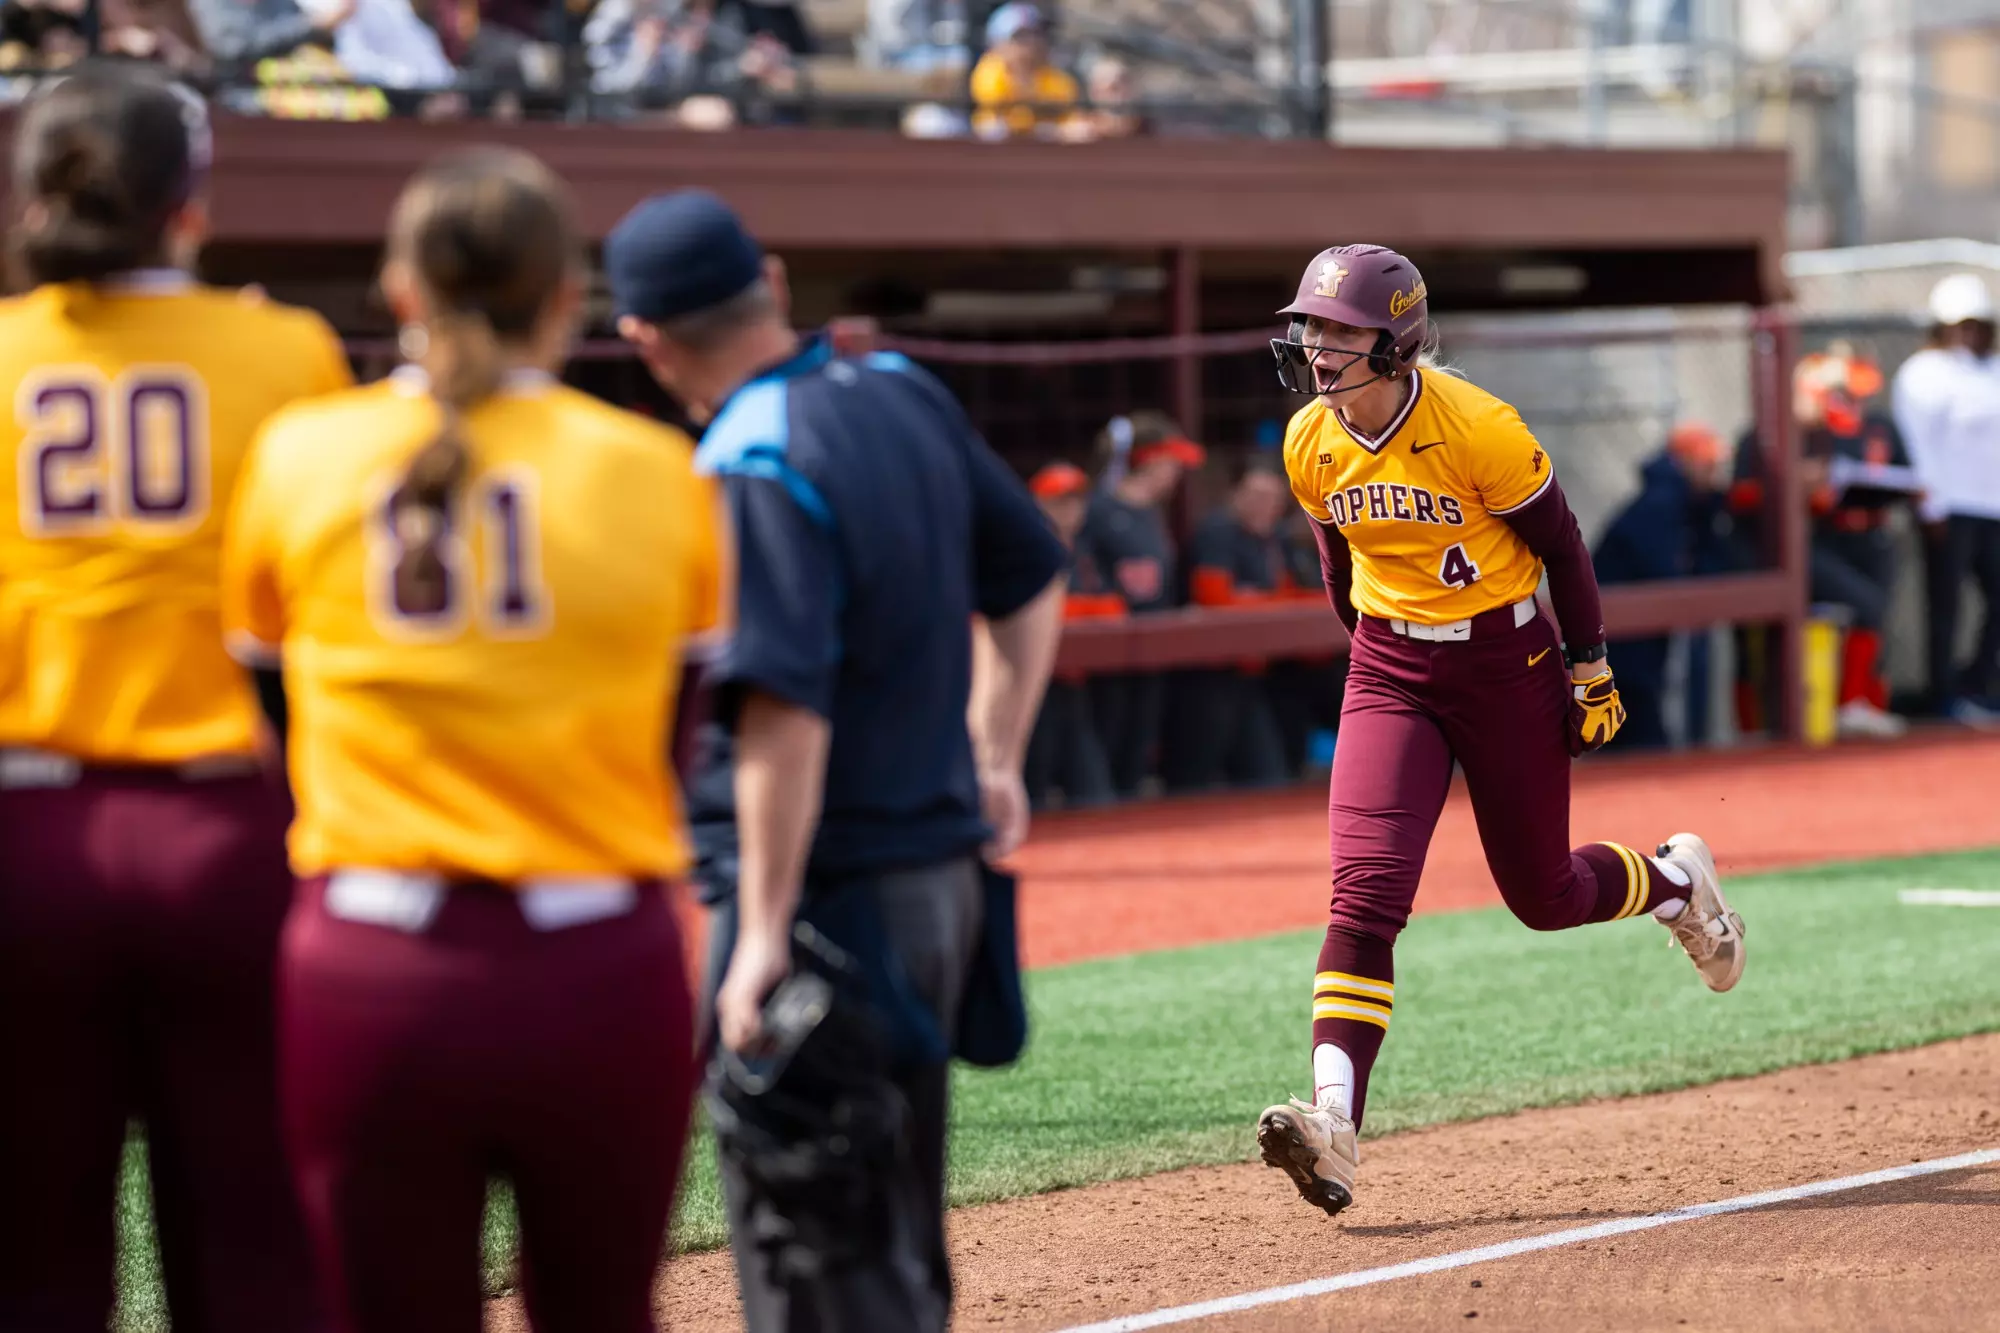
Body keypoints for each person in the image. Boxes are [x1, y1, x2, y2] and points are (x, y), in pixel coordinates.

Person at [222, 148, 717, 1330]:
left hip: (371, 964)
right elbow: (676, 736)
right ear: (567, 297)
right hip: (597, 961)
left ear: (401, 291)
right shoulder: (653, 470)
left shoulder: (298, 452)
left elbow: (274, 719)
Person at [604, 189, 1066, 1332]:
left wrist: (756, 932)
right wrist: (994, 751)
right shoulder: (900, 388)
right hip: (943, 888)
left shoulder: (748, 451)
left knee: (818, 1263)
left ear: (643, 340)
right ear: (768, 278)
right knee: (894, 1242)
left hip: (824, 908)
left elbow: (781, 712)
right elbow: (1030, 573)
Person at [1254, 244, 1744, 1218]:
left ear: (1393, 341)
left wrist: (1588, 664)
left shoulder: (1476, 427)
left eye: (1340, 329)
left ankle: (1679, 883)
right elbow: (1337, 568)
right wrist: (1377, 670)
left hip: (1501, 664)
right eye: (1310, 326)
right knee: (1363, 895)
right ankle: (1333, 1122)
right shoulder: (1308, 439)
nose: (1316, 345)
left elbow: (1560, 543)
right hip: (1390, 670)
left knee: (1543, 893)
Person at [0, 65, 351, 1331]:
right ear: (186, 204)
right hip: (226, 833)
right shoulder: (288, 351)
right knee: (258, 1246)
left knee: (30, 1257)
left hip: (25, 840)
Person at [1075, 410, 1200, 797]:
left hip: (1152, 647)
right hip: (1109, 652)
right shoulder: (1097, 510)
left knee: (1140, 745)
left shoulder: (1151, 513)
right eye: (1171, 463)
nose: (1176, 473)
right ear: (1150, 460)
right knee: (1108, 738)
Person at [1893, 273, 2000, 725]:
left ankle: (1977, 684)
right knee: (1945, 604)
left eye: (1977, 324)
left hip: (1991, 505)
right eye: (1960, 324)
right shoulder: (1923, 373)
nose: (1968, 334)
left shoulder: (1992, 370)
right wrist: (1930, 503)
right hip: (1948, 507)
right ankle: (1943, 696)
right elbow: (1919, 444)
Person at [1592, 422, 1739, 749]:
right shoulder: (1660, 504)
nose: (1714, 472)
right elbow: (1663, 568)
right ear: (1684, 462)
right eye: (1706, 463)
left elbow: (1708, 562)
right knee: (1640, 728)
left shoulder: (1692, 504)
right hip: (1620, 634)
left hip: (1641, 635)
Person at [1164, 454, 1292, 790]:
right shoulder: (1217, 531)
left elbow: (1292, 594)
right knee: (1193, 777)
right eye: (1256, 496)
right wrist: (1271, 605)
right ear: (1236, 495)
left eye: (1273, 500)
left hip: (1248, 675)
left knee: (1267, 774)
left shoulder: (1271, 538)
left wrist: (1264, 602)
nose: (1264, 506)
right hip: (1207, 676)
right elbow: (1214, 599)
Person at [1023, 460, 1116, 809]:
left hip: (1076, 687)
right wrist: (1088, 611)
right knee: (1034, 792)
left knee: (1093, 792)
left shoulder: (1085, 550)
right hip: (1034, 690)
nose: (1071, 510)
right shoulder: (1027, 545)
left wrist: (1086, 611)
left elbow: (1113, 606)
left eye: (1076, 501)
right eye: (1060, 501)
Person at [969, 1, 1077, 139]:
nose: (1033, 42)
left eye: (1037, 34)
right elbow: (994, 105)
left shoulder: (1056, 76)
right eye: (1021, 36)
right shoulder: (990, 70)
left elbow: (1065, 112)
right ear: (998, 43)